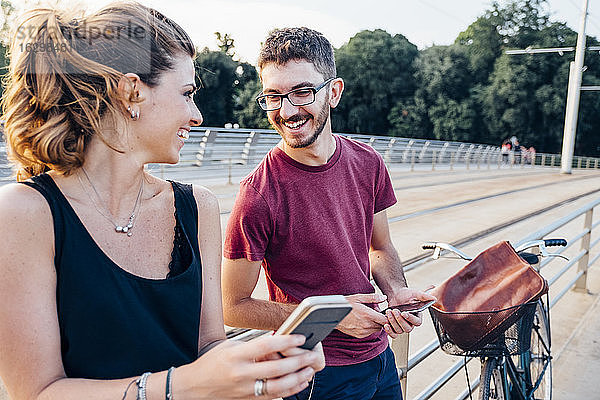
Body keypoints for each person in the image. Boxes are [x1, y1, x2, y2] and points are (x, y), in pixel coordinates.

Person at [0, 4, 324, 400]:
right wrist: (180, 386)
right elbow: (36, 392)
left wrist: (257, 364)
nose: (197, 114)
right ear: (131, 91)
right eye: (187, 94)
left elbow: (208, 346)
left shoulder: (197, 207)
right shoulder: (24, 213)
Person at [222, 27, 435, 400]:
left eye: (302, 92)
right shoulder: (257, 195)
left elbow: (380, 247)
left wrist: (397, 291)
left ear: (333, 92)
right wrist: (330, 315)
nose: (286, 111)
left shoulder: (368, 162)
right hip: (313, 373)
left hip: (380, 357)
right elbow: (232, 307)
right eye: (273, 97)